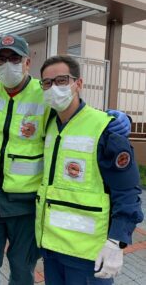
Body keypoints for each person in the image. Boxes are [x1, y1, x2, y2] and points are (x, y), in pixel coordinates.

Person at [0, 34, 131, 285]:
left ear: (27, 62)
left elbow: (78, 115)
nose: (8, 63)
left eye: (15, 58)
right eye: (2, 59)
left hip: (25, 204)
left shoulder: (45, 92)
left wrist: (115, 118)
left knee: (23, 269)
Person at [35, 55, 144, 285]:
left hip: (89, 256)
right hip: (52, 251)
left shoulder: (105, 129)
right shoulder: (50, 126)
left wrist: (117, 241)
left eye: (61, 80)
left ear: (79, 84)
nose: (54, 88)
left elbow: (128, 192)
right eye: (47, 82)